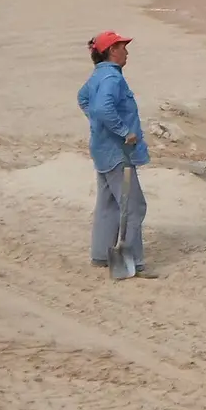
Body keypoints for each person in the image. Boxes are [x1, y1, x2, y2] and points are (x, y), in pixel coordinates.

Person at [77, 30, 153, 279]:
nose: (126, 52)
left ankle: (100, 255)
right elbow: (101, 107)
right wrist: (122, 131)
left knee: (109, 203)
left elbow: (84, 99)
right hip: (117, 152)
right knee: (134, 206)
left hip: (102, 150)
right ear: (112, 50)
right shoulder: (112, 78)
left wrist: (98, 125)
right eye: (123, 47)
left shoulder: (98, 76)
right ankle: (134, 262)